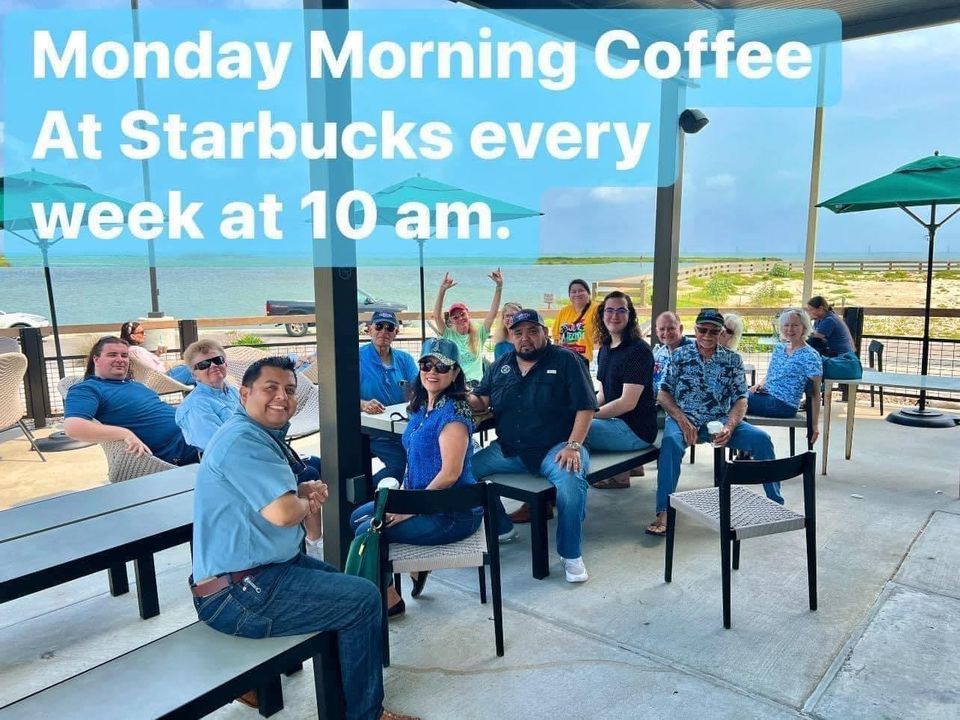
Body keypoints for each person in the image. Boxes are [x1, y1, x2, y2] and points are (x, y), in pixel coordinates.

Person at [190, 357, 416, 720]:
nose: (282, 397)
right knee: (361, 599)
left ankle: (347, 700)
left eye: (290, 390)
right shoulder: (242, 441)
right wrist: (304, 497)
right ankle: (365, 714)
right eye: (270, 388)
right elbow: (282, 514)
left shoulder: (260, 436)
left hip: (261, 572)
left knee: (352, 589)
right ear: (244, 393)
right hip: (238, 594)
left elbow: (301, 522)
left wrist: (300, 491)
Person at [351, 338, 482, 617]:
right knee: (356, 517)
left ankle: (388, 602)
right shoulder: (422, 407)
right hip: (420, 498)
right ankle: (401, 580)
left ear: (455, 373)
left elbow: (449, 475)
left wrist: (406, 510)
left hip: (449, 511)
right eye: (426, 364)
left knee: (367, 532)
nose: (432, 371)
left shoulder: (454, 414)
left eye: (441, 366)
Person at [469, 309, 598, 584]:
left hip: (557, 448)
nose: (525, 338)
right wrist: (454, 394)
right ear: (511, 336)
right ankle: (502, 527)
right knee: (464, 470)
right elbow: (481, 399)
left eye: (532, 331)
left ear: (545, 332)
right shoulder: (501, 364)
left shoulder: (567, 360)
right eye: (518, 333)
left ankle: (570, 554)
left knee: (572, 483)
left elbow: (586, 407)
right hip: (510, 450)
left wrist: (574, 445)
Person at [651, 309, 780, 537]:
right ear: (695, 330)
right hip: (684, 419)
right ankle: (664, 511)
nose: (708, 335)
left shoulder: (732, 360)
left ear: (721, 333)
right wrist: (681, 420)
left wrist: (730, 426)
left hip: (719, 421)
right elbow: (663, 393)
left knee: (761, 440)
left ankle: (775, 503)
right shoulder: (679, 356)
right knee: (670, 444)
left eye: (714, 331)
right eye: (703, 330)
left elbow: (741, 398)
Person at [63, 336, 200, 466]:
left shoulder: (135, 385)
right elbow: (73, 427)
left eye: (124, 355)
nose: (120, 359)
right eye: (112, 355)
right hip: (182, 448)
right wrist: (124, 434)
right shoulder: (88, 388)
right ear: (96, 359)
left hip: (196, 430)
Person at [585, 291, 657, 489]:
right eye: (609, 310)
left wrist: (588, 418)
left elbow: (627, 402)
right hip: (616, 423)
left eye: (621, 310)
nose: (614, 316)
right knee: (571, 420)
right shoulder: (606, 349)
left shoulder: (638, 351)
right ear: (602, 315)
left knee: (564, 430)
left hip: (635, 431)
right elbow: (604, 395)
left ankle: (550, 496)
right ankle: (624, 472)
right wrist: (584, 409)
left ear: (630, 315)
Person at [360, 310, 419, 485]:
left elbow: (419, 390)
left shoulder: (405, 359)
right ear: (369, 329)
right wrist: (363, 404)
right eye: (378, 326)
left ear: (396, 333)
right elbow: (341, 398)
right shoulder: (357, 358)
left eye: (389, 327)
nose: (383, 331)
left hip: (404, 427)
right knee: (399, 464)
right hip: (374, 432)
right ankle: (368, 493)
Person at [748, 308, 822, 443]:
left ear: (804, 327)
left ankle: (747, 445)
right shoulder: (779, 349)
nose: (790, 329)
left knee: (735, 399)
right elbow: (771, 374)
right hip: (766, 395)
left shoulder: (811, 356)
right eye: (786, 325)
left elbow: (816, 393)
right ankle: (746, 446)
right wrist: (759, 384)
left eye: (795, 325)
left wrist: (814, 425)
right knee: (733, 395)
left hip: (784, 404)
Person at [432, 268, 503, 385]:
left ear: (468, 314)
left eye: (462, 314)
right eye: (455, 317)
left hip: (475, 383)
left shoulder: (479, 332)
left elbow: (493, 313)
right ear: (451, 321)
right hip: (456, 383)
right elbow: (436, 316)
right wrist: (442, 290)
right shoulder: (449, 334)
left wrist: (499, 286)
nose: (460, 318)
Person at [175, 338, 241, 451]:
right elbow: (219, 446)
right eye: (203, 364)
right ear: (194, 375)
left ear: (226, 364)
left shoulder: (233, 391)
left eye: (217, 360)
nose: (213, 365)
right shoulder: (196, 406)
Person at [119, 321, 195, 385]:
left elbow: (147, 366)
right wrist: (168, 365)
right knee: (196, 370)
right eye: (141, 332)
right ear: (133, 336)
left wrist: (157, 354)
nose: (144, 334)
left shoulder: (129, 350)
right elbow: (155, 371)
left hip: (155, 379)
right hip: (164, 379)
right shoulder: (136, 350)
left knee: (195, 375)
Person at [552, 278, 598, 362]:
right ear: (569, 296)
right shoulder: (563, 311)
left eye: (581, 290)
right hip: (565, 361)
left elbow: (601, 339)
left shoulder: (596, 310)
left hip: (587, 361)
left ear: (588, 293)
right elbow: (556, 339)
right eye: (573, 292)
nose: (577, 294)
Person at [651, 311, 693, 396]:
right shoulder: (658, 354)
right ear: (656, 332)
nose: (666, 333)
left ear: (681, 329)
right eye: (662, 329)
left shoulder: (694, 351)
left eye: (671, 328)